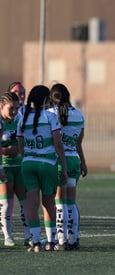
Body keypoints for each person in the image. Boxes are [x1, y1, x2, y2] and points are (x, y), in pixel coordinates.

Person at [17, 85, 68, 252]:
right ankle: (51, 241)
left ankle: (36, 242)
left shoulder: (23, 118)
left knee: (32, 205)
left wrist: (29, 157)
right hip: (47, 164)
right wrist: (64, 167)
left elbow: (20, 146)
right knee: (48, 203)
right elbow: (58, 144)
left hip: (28, 164)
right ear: (46, 100)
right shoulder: (50, 116)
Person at [49, 83, 87, 250]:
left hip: (59, 161)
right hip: (74, 160)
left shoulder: (50, 114)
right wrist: (84, 162)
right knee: (71, 202)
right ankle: (73, 240)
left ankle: (61, 240)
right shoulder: (79, 115)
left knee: (60, 202)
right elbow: (79, 143)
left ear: (52, 99)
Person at [0, 91, 32, 246]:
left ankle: (29, 236)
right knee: (6, 203)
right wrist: (4, 151)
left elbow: (25, 141)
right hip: (5, 167)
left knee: (25, 202)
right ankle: (7, 236)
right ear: (1, 107)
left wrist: (20, 150)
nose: (14, 112)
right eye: (10, 108)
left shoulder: (20, 119)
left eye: (16, 108)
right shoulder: (0, 121)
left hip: (19, 167)